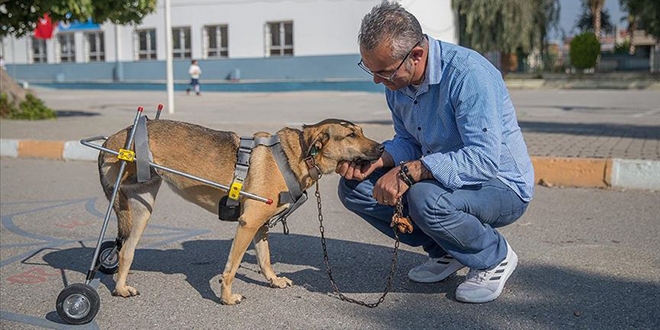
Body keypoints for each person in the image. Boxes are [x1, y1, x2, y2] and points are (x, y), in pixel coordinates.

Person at [337, 2, 534, 304]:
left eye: (383, 72)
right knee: (354, 188)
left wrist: (409, 171)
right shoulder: (397, 81)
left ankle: (494, 257)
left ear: (416, 56)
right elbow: (409, 141)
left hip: (501, 185)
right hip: (444, 179)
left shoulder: (469, 75)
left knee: (424, 198)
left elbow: (482, 160)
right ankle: (447, 250)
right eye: (370, 69)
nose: (377, 81)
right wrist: (381, 158)